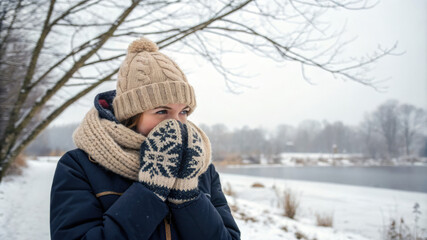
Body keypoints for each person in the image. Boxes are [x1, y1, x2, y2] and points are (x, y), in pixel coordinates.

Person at [50, 37, 240, 240]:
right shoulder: (79, 166)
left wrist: (187, 198)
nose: (176, 123)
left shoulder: (200, 168)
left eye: (183, 111)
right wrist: (151, 191)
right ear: (131, 115)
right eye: (161, 111)